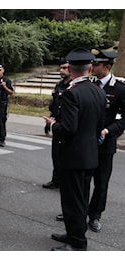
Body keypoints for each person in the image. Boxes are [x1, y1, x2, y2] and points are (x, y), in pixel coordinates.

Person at [44, 47, 106, 251]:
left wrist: (53, 125)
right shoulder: (98, 90)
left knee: (73, 201)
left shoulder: (72, 94)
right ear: (89, 68)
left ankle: (77, 242)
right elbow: (99, 123)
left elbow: (69, 129)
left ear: (70, 69)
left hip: (74, 156)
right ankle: (73, 233)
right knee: (80, 198)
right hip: (89, 154)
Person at [87, 48, 125, 233]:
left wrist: (108, 131)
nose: (92, 66)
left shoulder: (119, 89)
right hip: (86, 143)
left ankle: (95, 216)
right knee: (82, 180)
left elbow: (124, 118)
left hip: (105, 143)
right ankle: (78, 211)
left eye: (97, 64)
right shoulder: (89, 85)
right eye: (92, 63)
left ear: (107, 67)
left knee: (101, 183)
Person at [42, 58, 71, 190]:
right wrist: (50, 121)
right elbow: (54, 104)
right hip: (57, 123)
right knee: (56, 154)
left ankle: (65, 181)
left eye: (65, 68)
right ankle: (56, 179)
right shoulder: (59, 85)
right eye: (61, 68)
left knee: (66, 155)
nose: (62, 70)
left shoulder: (73, 87)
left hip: (68, 124)